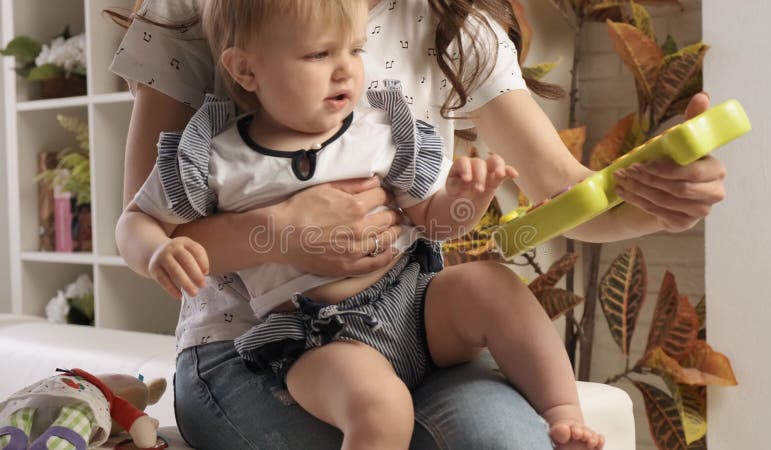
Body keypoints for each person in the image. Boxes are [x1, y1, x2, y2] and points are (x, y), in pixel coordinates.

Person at [110, 0, 727, 449]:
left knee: (491, 304)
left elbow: (547, 197)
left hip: (411, 313)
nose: (349, 70)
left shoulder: (391, 109)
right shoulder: (213, 121)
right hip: (275, 343)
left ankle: (565, 413)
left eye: (354, 50)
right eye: (321, 55)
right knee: (380, 413)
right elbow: (149, 229)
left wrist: (657, 194)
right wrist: (287, 232)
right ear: (245, 70)